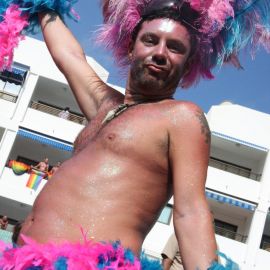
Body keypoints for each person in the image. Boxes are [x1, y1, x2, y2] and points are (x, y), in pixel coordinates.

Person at [2, 0, 268, 268]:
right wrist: (38, 5)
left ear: (187, 66)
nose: (161, 52)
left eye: (175, 48)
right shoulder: (105, 106)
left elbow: (190, 212)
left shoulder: (182, 117)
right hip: (23, 260)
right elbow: (69, 56)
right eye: (151, 40)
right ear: (131, 48)